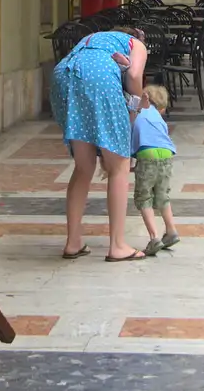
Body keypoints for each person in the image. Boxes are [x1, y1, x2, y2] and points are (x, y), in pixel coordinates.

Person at [50, 24, 149, 262]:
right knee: (119, 166)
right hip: (97, 76)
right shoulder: (137, 43)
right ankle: (117, 245)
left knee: (83, 167)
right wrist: (135, 108)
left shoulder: (95, 39)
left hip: (63, 75)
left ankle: (73, 242)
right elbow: (134, 75)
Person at [131, 84, 179, 257]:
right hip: (167, 154)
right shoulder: (159, 119)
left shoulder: (137, 111)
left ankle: (154, 237)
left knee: (144, 197)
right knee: (162, 195)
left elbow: (132, 136)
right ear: (162, 108)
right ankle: (171, 231)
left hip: (146, 154)